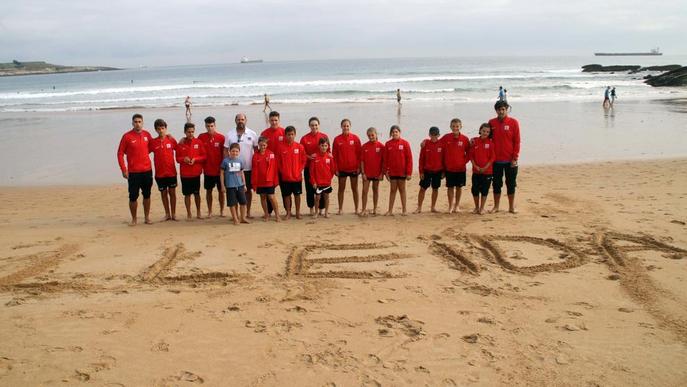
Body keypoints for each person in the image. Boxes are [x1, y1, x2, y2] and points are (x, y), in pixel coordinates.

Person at [117, 114, 154, 225]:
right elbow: (120, 153)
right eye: (135, 122)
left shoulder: (147, 134)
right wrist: (124, 169)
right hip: (133, 172)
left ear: (142, 123)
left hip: (147, 171)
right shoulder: (127, 136)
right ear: (132, 123)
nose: (138, 124)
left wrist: (168, 137)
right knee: (133, 197)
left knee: (147, 195)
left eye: (139, 121)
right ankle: (134, 219)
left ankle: (147, 217)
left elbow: (153, 146)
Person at [224, 113, 259, 218]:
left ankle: (247, 213)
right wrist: (227, 164)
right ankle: (236, 215)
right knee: (234, 192)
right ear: (235, 121)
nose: (240, 121)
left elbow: (257, 150)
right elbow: (225, 150)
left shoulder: (252, 134)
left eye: (242, 119)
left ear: (246, 120)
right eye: (238, 119)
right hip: (232, 170)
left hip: (248, 168)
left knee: (247, 191)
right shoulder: (229, 134)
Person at [489, 100, 521, 213]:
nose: (501, 111)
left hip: (510, 160)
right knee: (497, 184)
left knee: (511, 184)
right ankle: (496, 206)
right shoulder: (491, 123)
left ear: (506, 109)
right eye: (499, 109)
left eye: (503, 109)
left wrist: (515, 158)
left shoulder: (514, 122)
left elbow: (517, 141)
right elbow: (486, 138)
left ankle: (511, 207)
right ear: (496, 110)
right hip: (496, 160)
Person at [149, 118, 178, 221]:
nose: (161, 130)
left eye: (162, 128)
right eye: (158, 129)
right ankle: (167, 214)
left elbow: (180, 149)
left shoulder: (171, 140)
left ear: (166, 128)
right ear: (156, 130)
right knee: (163, 194)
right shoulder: (153, 142)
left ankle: (173, 214)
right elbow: (144, 152)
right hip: (160, 173)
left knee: (172, 193)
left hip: (171, 172)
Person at [176, 122, 206, 220]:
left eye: (192, 132)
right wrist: (183, 159)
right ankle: (189, 213)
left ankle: (198, 212)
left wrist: (195, 159)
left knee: (197, 194)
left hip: (196, 173)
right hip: (185, 174)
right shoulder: (180, 144)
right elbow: (177, 159)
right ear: (185, 132)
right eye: (189, 132)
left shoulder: (199, 142)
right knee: (187, 194)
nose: (191, 134)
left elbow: (204, 156)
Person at [300, 117, 329, 216]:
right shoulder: (304, 138)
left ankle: (321, 208)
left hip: (321, 169)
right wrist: (309, 156)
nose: (314, 127)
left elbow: (328, 151)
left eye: (316, 125)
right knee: (310, 189)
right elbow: (301, 154)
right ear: (309, 126)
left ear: (319, 125)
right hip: (309, 167)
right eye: (312, 125)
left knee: (322, 188)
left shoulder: (324, 136)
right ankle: (311, 208)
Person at [332, 118, 362, 215]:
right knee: (341, 189)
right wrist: (335, 169)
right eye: (344, 126)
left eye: (347, 126)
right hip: (342, 169)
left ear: (350, 126)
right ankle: (340, 209)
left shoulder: (355, 138)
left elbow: (359, 154)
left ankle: (357, 209)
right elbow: (334, 156)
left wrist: (359, 167)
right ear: (341, 127)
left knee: (355, 189)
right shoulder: (337, 140)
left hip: (353, 168)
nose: (346, 127)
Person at [198, 116, 226, 218]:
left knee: (221, 191)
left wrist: (224, 168)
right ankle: (210, 211)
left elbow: (225, 154)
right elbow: (193, 144)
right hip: (207, 171)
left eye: (211, 126)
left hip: (219, 171)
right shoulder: (201, 137)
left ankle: (222, 210)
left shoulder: (221, 138)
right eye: (208, 126)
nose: (210, 128)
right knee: (208, 191)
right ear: (205, 126)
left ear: (215, 125)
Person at [277, 126, 307, 220]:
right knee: (286, 195)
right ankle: (288, 212)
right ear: (285, 135)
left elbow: (304, 160)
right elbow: (278, 162)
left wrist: (299, 170)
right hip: (285, 177)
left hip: (297, 177)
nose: (290, 136)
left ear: (295, 135)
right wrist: (283, 172)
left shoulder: (300, 147)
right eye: (288, 134)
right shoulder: (281, 147)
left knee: (297, 195)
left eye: (292, 134)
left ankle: (298, 212)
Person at [441, 118, 470, 213]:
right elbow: (437, 144)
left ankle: (457, 206)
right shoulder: (446, 138)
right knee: (450, 187)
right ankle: (450, 206)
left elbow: (469, 153)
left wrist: (463, 162)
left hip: (461, 169)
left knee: (459, 187)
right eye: (453, 126)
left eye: (457, 126)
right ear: (450, 127)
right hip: (449, 169)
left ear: (461, 127)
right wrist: (425, 142)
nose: (455, 128)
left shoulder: (465, 139)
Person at [384, 125, 412, 216]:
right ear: (391, 133)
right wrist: (386, 172)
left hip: (402, 172)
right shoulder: (388, 144)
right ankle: (390, 210)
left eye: (396, 131)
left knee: (402, 190)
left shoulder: (405, 143)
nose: (394, 133)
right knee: (392, 190)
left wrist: (409, 173)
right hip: (392, 172)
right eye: (393, 132)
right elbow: (385, 159)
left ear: (399, 132)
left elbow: (409, 159)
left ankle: (404, 210)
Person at [252, 136, 280, 222]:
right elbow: (254, 169)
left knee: (271, 197)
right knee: (263, 197)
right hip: (260, 181)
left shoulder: (271, 154)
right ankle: (266, 215)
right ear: (258, 145)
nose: (263, 147)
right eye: (261, 145)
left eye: (264, 145)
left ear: (267, 145)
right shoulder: (255, 155)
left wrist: (275, 180)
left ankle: (277, 215)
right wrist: (254, 183)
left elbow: (274, 168)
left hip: (269, 180)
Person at [415, 126, 443, 213]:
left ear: (438, 135)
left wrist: (444, 172)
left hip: (438, 171)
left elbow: (444, 159)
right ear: (429, 135)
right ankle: (419, 207)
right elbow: (421, 159)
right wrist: (421, 171)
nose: (434, 137)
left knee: (435, 189)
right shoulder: (425, 144)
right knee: (422, 188)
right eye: (432, 135)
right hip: (426, 171)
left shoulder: (442, 144)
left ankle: (433, 207)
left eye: (436, 135)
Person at [220, 143, 249, 225]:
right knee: (232, 203)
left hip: (240, 185)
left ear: (239, 152)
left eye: (236, 151)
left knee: (243, 202)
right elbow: (221, 173)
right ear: (229, 151)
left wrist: (244, 184)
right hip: (230, 185)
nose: (234, 153)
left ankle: (243, 218)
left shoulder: (240, 160)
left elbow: (242, 173)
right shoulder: (225, 161)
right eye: (233, 151)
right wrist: (222, 185)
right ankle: (235, 218)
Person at [470, 123, 496, 215]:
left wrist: (485, 167)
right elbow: (471, 156)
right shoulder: (474, 141)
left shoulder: (491, 143)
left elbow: (492, 158)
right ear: (480, 130)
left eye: (487, 132)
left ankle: (482, 208)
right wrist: (475, 166)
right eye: (484, 131)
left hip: (487, 171)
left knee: (485, 190)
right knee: (475, 190)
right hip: (476, 171)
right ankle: (476, 207)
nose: (485, 133)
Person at [360, 127, 384, 216]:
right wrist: (363, 173)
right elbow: (362, 161)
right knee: (364, 191)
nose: (371, 137)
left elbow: (383, 161)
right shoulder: (364, 146)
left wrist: (382, 173)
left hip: (377, 173)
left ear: (376, 134)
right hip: (366, 173)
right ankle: (363, 209)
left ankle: (375, 209)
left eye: (372, 135)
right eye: (369, 135)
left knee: (375, 190)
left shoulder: (381, 146)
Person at [310, 138, 336, 219]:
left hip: (327, 182)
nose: (324, 147)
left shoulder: (329, 157)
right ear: (319, 146)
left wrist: (329, 179)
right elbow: (311, 172)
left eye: (325, 146)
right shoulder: (315, 157)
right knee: (317, 198)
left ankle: (326, 212)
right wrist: (313, 182)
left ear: (328, 146)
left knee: (326, 197)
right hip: (317, 182)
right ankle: (316, 212)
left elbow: (332, 170)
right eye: (322, 146)